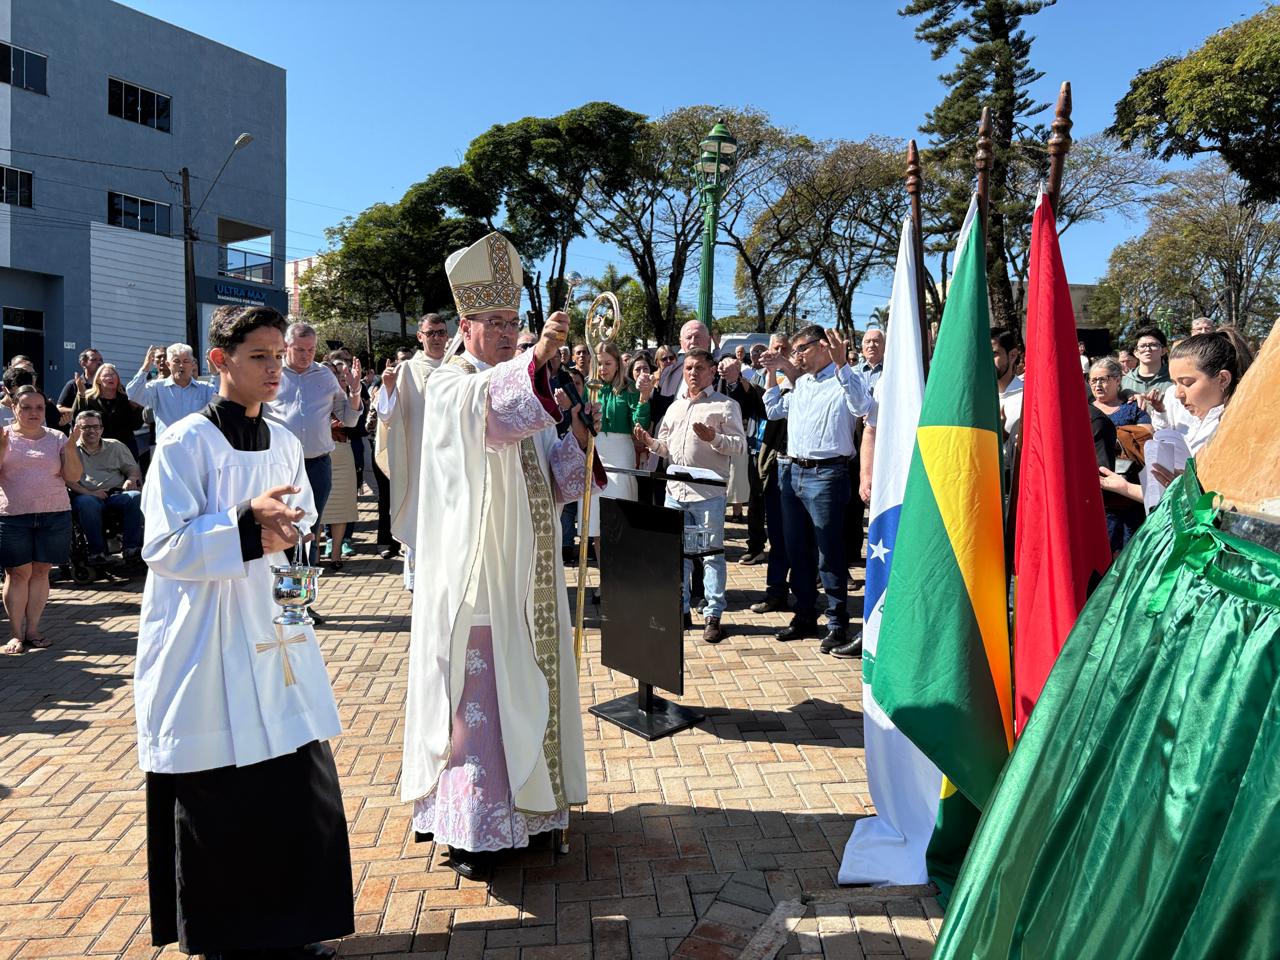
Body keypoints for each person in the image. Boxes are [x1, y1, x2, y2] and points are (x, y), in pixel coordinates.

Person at [136, 304, 352, 958]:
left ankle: (295, 929)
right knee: (221, 796)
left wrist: (299, 617)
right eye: (259, 356)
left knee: (295, 786)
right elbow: (164, 545)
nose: (275, 368)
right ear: (220, 362)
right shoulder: (185, 443)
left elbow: (302, 534)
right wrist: (241, 523)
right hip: (205, 635)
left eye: (278, 354)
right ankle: (231, 939)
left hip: (274, 630)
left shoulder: (287, 441)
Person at [402, 231, 601, 881]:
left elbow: (560, 483)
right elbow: (495, 415)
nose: (506, 331)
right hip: (479, 579)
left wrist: (576, 430)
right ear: (464, 325)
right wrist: (539, 363)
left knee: (534, 687)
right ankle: (473, 827)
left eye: (513, 322)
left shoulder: (522, 386)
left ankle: (535, 813)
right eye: (496, 323)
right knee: (480, 698)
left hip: (534, 576)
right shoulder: (449, 386)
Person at [761, 324, 876, 656]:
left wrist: (842, 365)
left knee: (829, 553)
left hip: (828, 474)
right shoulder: (801, 384)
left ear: (824, 346)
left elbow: (863, 407)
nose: (797, 356)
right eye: (794, 350)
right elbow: (772, 410)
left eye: (802, 349)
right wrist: (773, 373)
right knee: (798, 550)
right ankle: (804, 615)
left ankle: (838, 623)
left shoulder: (844, 378)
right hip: (793, 471)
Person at [634, 349, 746, 644]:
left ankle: (713, 615)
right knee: (677, 555)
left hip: (707, 493)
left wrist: (715, 439)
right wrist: (650, 442)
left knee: (710, 555)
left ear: (712, 371)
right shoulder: (675, 407)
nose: (692, 373)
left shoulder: (725, 405)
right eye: (688, 368)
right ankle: (680, 609)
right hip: (675, 491)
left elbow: (739, 446)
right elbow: (667, 447)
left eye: (698, 368)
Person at [1100, 328, 1255, 503]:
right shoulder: (1198, 419)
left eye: (1187, 383)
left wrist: (1190, 489)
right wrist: (1125, 487)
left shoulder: (1245, 434)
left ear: (1223, 379)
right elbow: (1166, 497)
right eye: (1174, 383)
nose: (1177, 394)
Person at [266, 322, 362, 566]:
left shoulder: (325, 375)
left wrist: (355, 392)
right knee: (279, 525)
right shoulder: (271, 372)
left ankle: (303, 593)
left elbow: (348, 419)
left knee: (311, 526)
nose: (306, 355)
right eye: (300, 349)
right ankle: (279, 589)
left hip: (317, 465)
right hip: (280, 465)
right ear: (286, 346)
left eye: (311, 350)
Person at [0, 387, 82, 654]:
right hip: (13, 515)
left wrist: (70, 446)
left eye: (38, 407)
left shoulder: (57, 437)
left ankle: (33, 629)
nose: (33, 413)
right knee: (17, 573)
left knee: (41, 571)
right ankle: (15, 633)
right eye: (26, 407)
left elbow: (73, 476)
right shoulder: (4, 436)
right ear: (14, 408)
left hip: (54, 513)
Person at [375, 314, 449, 571]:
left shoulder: (457, 368)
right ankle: (416, 577)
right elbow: (386, 414)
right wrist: (387, 388)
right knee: (420, 514)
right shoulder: (407, 370)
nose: (437, 338)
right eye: (431, 333)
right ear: (420, 337)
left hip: (452, 457)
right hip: (419, 457)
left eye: (441, 332)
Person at [577, 341, 652, 561]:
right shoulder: (590, 389)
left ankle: (621, 580)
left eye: (607, 363)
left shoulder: (629, 388)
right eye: (599, 364)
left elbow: (639, 424)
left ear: (618, 363)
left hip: (620, 454)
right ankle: (604, 581)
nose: (603, 369)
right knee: (598, 521)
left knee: (619, 517)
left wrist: (644, 398)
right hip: (595, 453)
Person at [751, 333, 795, 615]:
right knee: (777, 536)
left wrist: (783, 368)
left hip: (803, 468)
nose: (778, 353)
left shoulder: (801, 379)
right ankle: (775, 592)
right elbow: (770, 410)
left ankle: (806, 597)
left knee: (802, 537)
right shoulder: (763, 378)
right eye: (774, 349)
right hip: (775, 463)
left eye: (784, 349)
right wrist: (770, 372)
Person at [66, 409, 143, 566]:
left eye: (95, 427)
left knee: (135, 497)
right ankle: (97, 552)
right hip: (86, 495)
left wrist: (131, 479)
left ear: (101, 429)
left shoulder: (115, 446)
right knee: (86, 503)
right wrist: (91, 493)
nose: (91, 431)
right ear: (77, 429)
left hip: (116, 494)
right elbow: (67, 479)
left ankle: (131, 548)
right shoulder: (70, 449)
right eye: (86, 427)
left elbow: (133, 469)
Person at [1089, 358, 1150, 553]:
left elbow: (1146, 438)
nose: (1098, 385)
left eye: (1103, 379)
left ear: (1118, 380)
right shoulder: (1084, 408)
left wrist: (1111, 438)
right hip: (1095, 496)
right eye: (1093, 380)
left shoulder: (1133, 407)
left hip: (1127, 495)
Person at [126, 343, 217, 438]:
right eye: (176, 361)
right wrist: (145, 368)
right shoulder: (157, 387)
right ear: (168, 364)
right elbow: (133, 393)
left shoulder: (205, 388)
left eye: (186, 361)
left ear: (192, 364)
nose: (181, 365)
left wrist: (216, 374)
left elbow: (223, 400)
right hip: (168, 449)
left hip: (196, 448)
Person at [320, 359, 359, 570]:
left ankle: (336, 554)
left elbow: (354, 422)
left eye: (333, 373)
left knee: (341, 506)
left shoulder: (343, 395)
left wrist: (354, 390)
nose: (330, 376)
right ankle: (314, 555)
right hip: (318, 454)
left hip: (342, 452)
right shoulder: (309, 396)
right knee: (317, 507)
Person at [71, 362, 144, 457]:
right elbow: (77, 421)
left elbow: (136, 425)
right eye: (106, 375)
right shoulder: (89, 398)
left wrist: (137, 409)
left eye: (113, 375)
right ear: (98, 380)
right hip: (96, 450)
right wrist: (81, 395)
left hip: (124, 450)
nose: (111, 377)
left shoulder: (126, 399)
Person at [992, 328, 1025, 470]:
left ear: (1012, 355)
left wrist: (1004, 436)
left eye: (993, 353)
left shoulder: (1026, 397)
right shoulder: (972, 398)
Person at [1121, 326, 1174, 398]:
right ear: (1136, 352)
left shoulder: (1174, 379)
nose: (1148, 349)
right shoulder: (1124, 382)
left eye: (1153, 345)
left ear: (1163, 350)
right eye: (1142, 346)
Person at [57, 346, 103, 422]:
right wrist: (78, 411)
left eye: (101, 360)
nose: (99, 363)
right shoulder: (73, 385)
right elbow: (59, 408)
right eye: (94, 360)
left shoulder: (105, 385)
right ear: (83, 363)